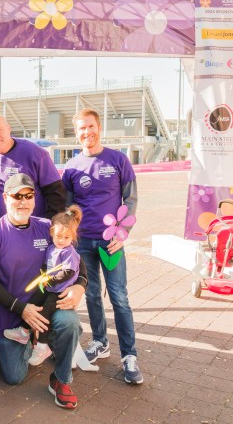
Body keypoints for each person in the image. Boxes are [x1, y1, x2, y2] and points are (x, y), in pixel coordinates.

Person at [0, 173, 87, 409]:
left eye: (29, 196)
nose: (23, 201)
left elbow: (75, 260)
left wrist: (80, 286)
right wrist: (20, 308)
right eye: (17, 196)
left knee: (70, 324)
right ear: (5, 197)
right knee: (14, 378)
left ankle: (61, 378)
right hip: (12, 313)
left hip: (49, 305)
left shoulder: (48, 227)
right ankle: (33, 343)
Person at [62, 108, 143, 384]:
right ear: (77, 132)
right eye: (82, 128)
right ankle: (99, 341)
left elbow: (130, 199)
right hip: (84, 243)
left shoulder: (118, 159)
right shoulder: (72, 167)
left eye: (91, 126)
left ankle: (129, 356)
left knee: (119, 297)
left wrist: (123, 234)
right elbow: (69, 207)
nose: (87, 132)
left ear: (99, 127)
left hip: (112, 243)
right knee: (92, 295)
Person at [3, 205, 83, 368]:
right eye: (58, 236)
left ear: (72, 237)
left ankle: (42, 346)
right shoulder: (53, 248)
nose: (61, 240)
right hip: (48, 287)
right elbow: (48, 266)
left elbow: (67, 272)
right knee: (33, 302)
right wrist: (44, 275)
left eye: (66, 237)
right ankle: (24, 332)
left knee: (44, 314)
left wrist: (50, 280)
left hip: (58, 292)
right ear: (52, 232)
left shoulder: (69, 252)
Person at [0, 113, 65, 220]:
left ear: (9, 129)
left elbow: (55, 192)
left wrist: (50, 223)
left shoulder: (35, 153)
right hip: (1, 230)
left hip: (33, 229)